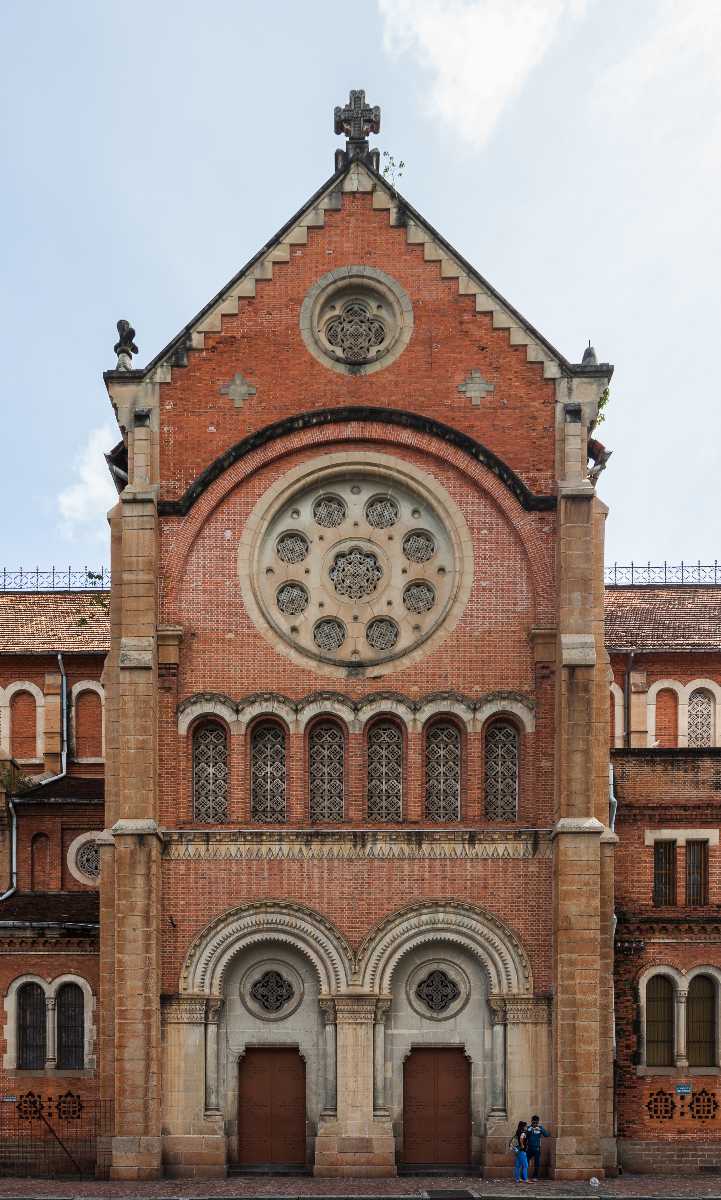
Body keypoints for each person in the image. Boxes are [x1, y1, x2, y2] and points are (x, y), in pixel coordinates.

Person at [525, 1115, 550, 1180]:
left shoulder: (540, 1127)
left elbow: (547, 1135)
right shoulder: (528, 1128)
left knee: (537, 1163)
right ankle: (524, 1176)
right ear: (531, 1122)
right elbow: (525, 1137)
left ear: (538, 1122)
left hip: (537, 1149)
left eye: (536, 1123)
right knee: (525, 1162)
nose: (535, 1124)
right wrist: (529, 1131)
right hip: (529, 1148)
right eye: (533, 1123)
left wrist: (541, 1129)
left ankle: (535, 1176)